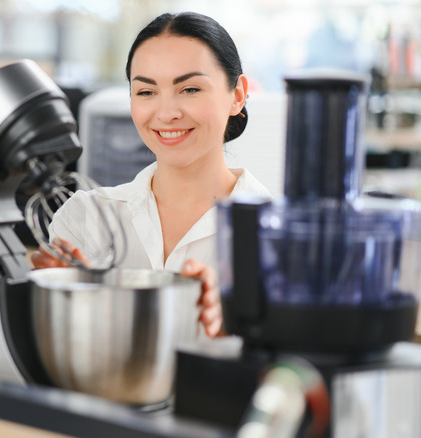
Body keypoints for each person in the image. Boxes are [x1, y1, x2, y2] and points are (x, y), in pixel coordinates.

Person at [31, 11, 271, 337]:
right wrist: (74, 306)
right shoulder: (84, 217)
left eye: (189, 89)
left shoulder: (278, 235)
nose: (167, 113)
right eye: (146, 92)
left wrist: (235, 331)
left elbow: (297, 372)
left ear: (238, 95)